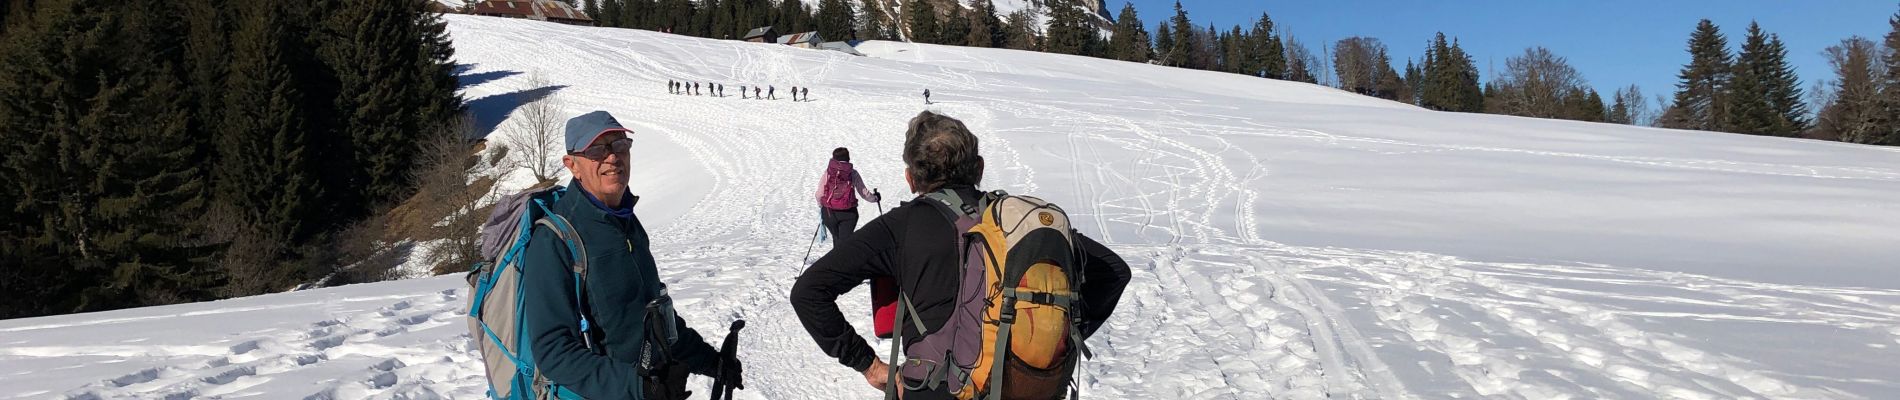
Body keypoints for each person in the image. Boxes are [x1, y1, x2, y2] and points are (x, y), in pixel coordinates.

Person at [790, 111, 1131, 399]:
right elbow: (1114, 271)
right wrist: (1047, 335)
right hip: (1015, 383)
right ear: (979, 168)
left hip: (930, 389)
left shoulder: (901, 226)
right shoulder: (1017, 222)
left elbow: (809, 292)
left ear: (910, 179)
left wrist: (870, 365)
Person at [523, 110, 743, 399]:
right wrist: (639, 387)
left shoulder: (626, 222)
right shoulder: (555, 239)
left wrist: (711, 361)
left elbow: (653, 316)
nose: (612, 157)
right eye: (597, 150)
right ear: (572, 165)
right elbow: (554, 352)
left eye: (619, 145)